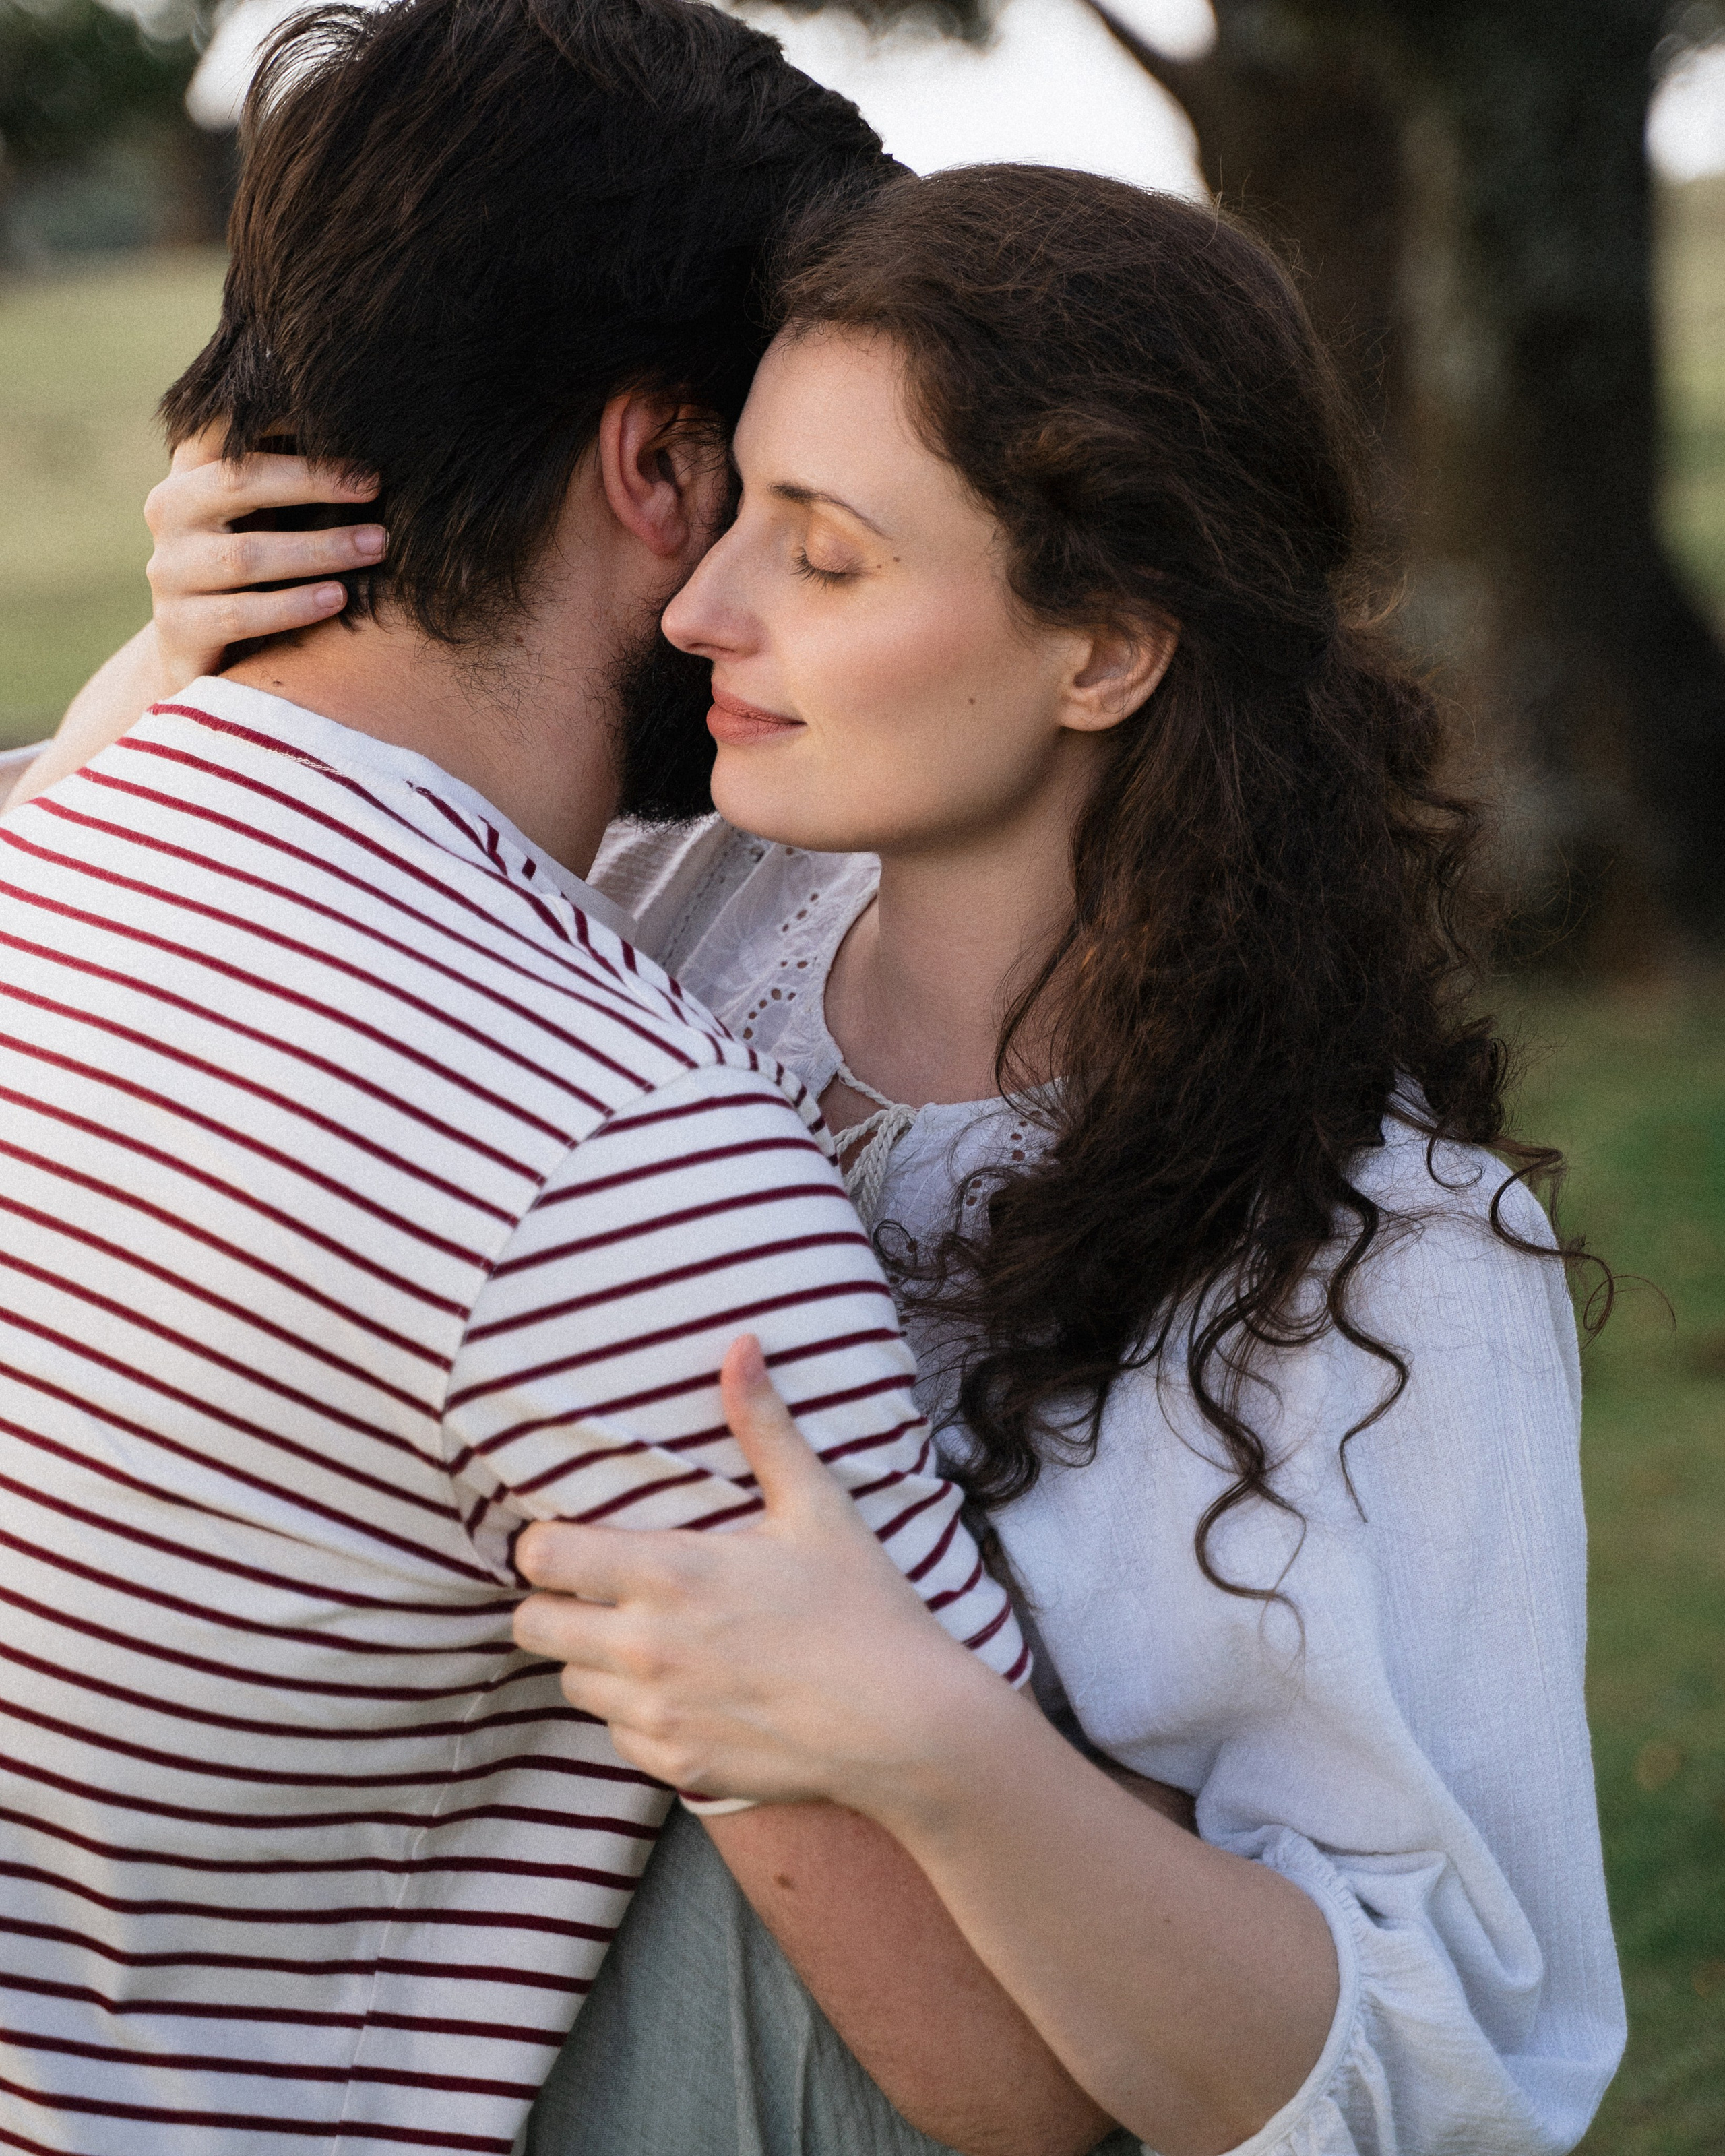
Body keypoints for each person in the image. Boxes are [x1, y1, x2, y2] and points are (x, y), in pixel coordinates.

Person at [20, 145, 1625, 2156]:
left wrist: (935, 1742)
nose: (700, 604)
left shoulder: (1388, 1273)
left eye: (828, 554)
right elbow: (179, 947)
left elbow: (1450, 2076)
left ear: (1104, 650)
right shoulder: (667, 914)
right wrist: (196, 650)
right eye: (730, 510)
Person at [0, 11, 1168, 2156]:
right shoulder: (620, 1165)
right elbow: (1028, 2086)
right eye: (800, 503)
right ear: (658, 474)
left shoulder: (49, 846)